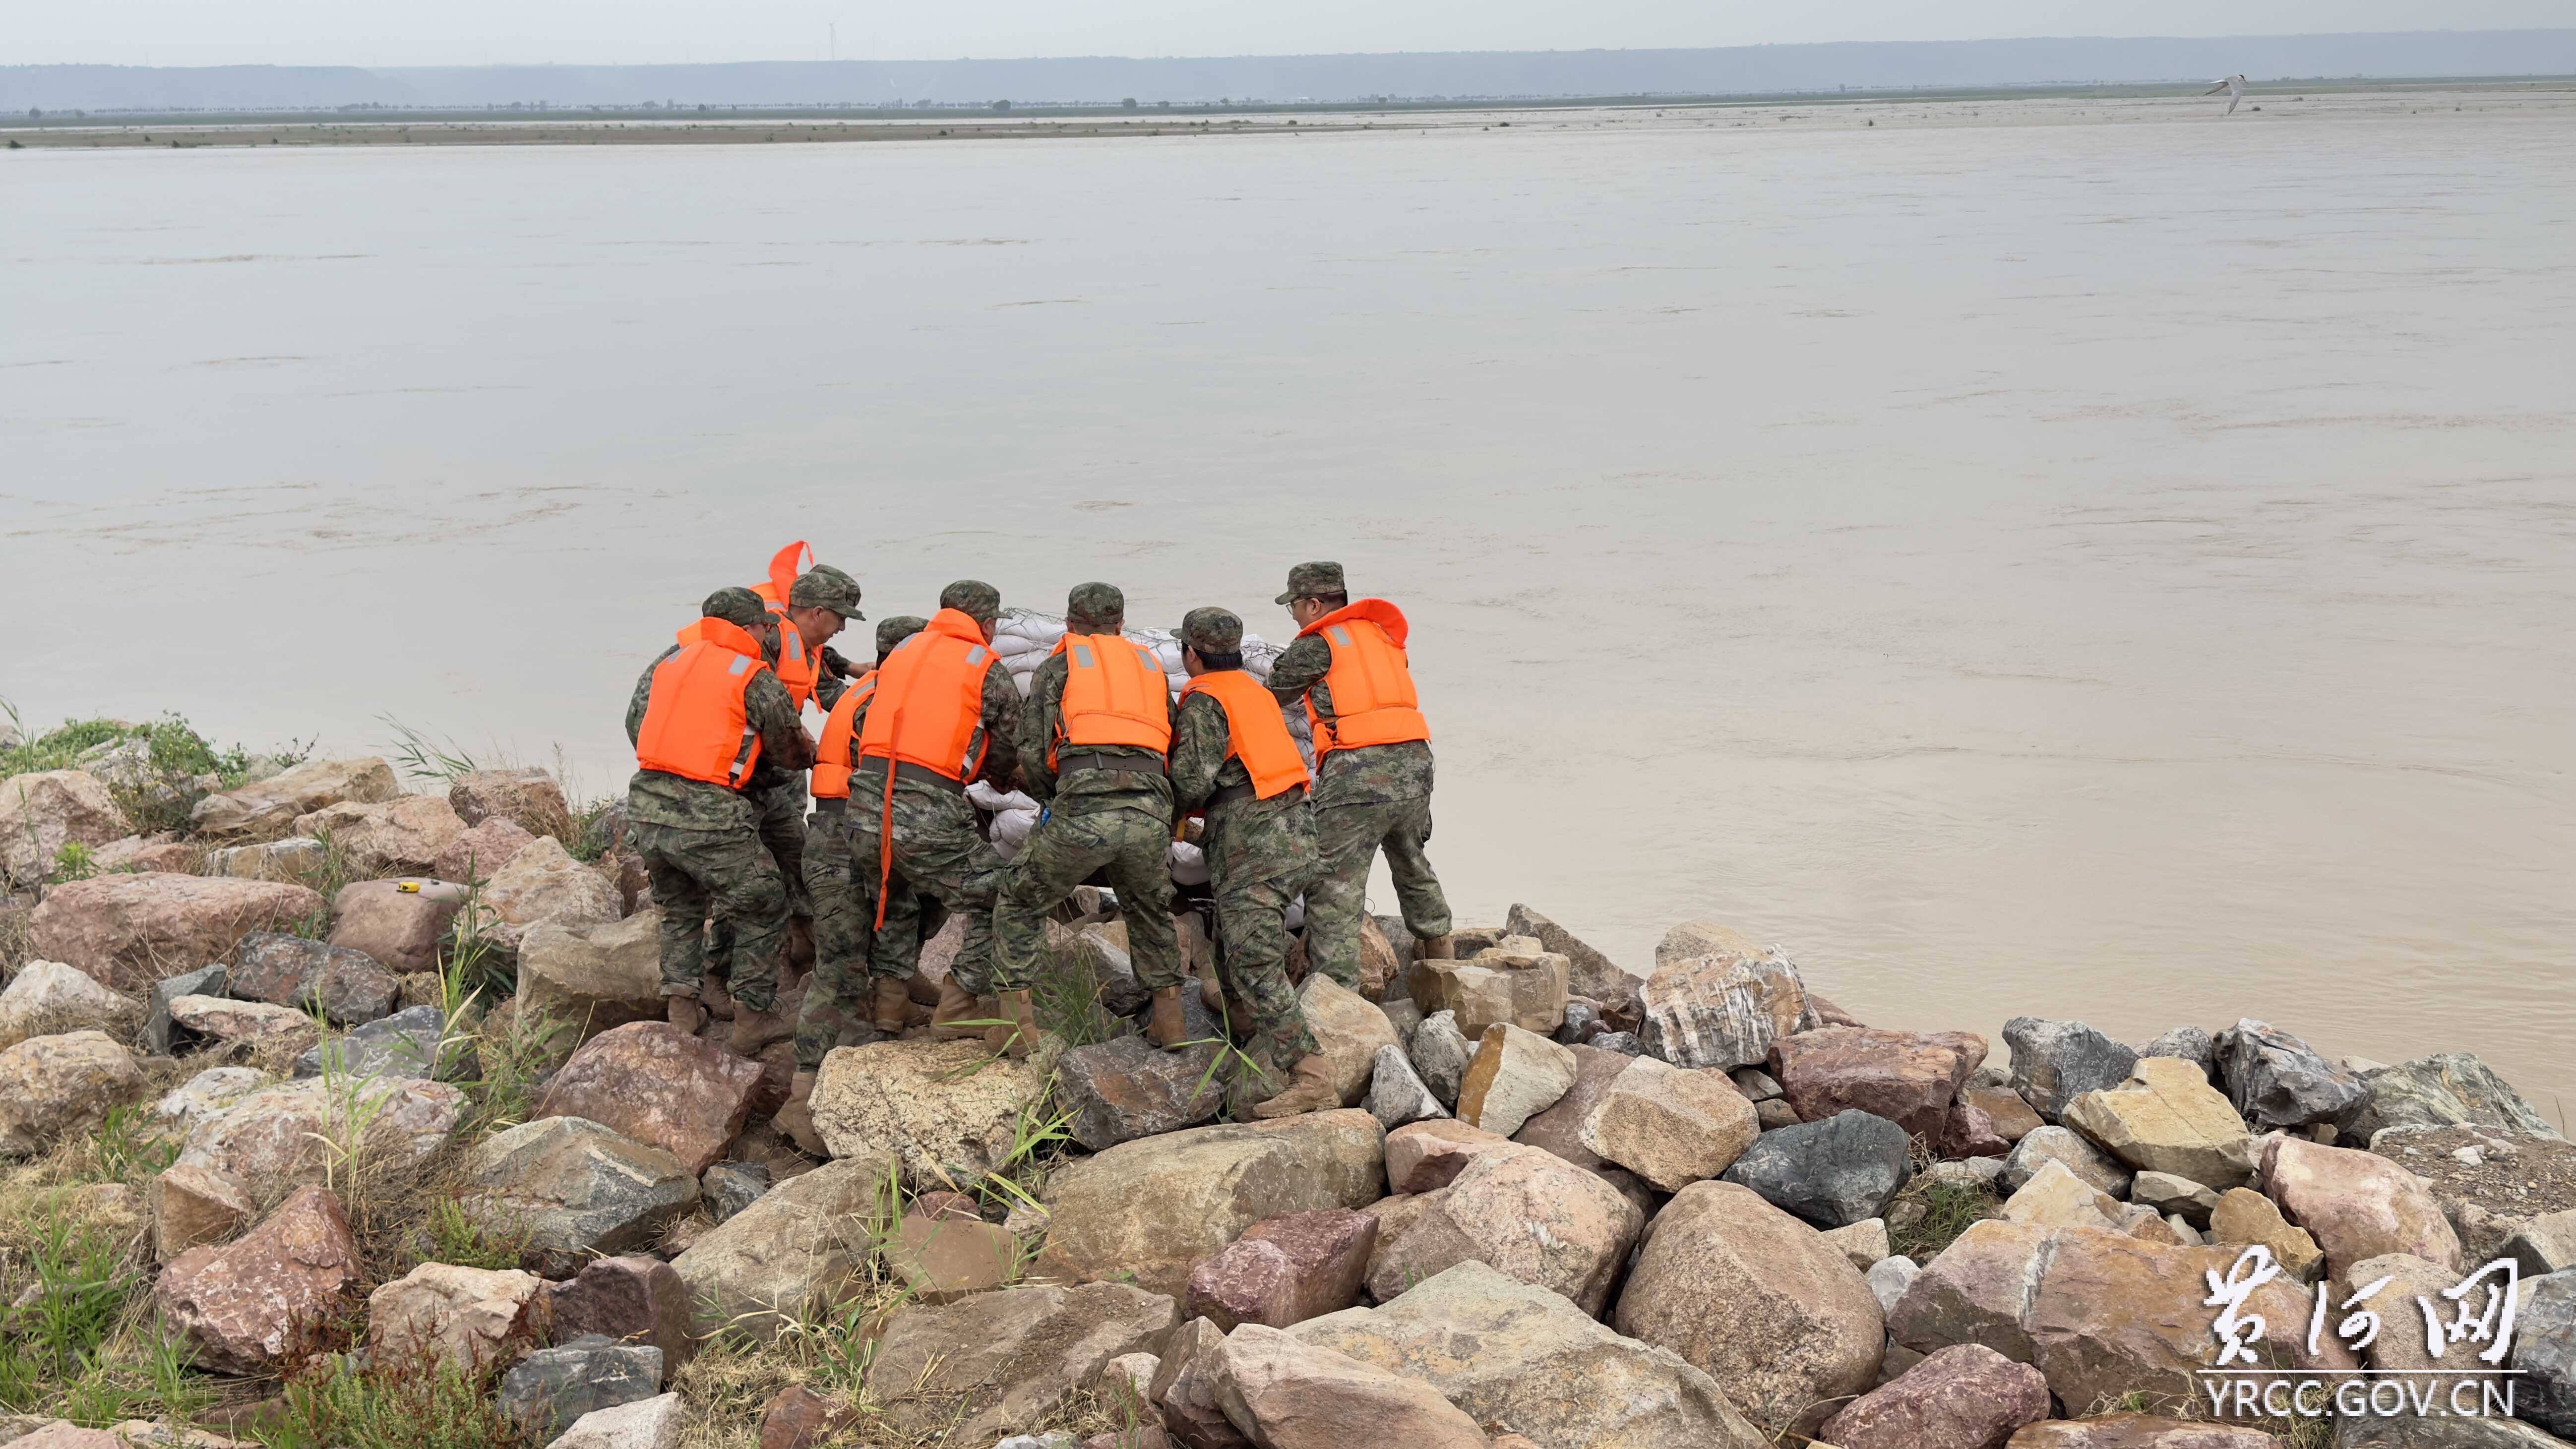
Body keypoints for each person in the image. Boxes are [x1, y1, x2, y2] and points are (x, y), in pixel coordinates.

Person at [994, 583, 1184, 1057]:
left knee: (1019, 899)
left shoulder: (1060, 665)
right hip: (1148, 813)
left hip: (1083, 809)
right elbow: (1173, 738)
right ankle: (1171, 1021)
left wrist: (1053, 799)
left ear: (1069, 623)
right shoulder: (1150, 667)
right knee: (1148, 909)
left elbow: (1032, 749)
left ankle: (1015, 1029)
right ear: (1121, 624)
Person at [623, 587, 813, 1057]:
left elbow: (635, 721)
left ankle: (683, 1011)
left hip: (646, 804)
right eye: (765, 627)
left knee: (681, 907)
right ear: (751, 628)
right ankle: (752, 1017)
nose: (768, 635)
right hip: (708, 812)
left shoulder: (668, 663)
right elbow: (789, 750)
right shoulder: (752, 674)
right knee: (764, 902)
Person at [1169, 606, 1335, 1117]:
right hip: (1295, 830)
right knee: (1233, 936)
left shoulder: (1205, 700)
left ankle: (1310, 1074)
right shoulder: (1255, 692)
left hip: (1254, 842)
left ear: (1191, 654)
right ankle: (1242, 1022)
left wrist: (1159, 806)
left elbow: (1192, 782)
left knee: (1254, 959)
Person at [846, 581, 1022, 1048]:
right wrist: (1002, 777)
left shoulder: (902, 654)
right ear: (988, 624)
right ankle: (959, 1004)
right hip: (925, 811)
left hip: (863, 807)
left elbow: (869, 721)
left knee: (893, 890)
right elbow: (1009, 745)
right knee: (1006, 894)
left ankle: (890, 1006)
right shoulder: (985, 665)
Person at [1265, 561, 1453, 986]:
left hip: (1358, 773)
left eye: (1295, 606)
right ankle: (1446, 965)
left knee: (1334, 884)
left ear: (1315, 604)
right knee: (1411, 861)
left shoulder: (1317, 645)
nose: (1294, 616)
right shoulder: (1382, 636)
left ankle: (1340, 998)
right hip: (1416, 765)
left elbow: (1273, 692)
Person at [797, 613, 938, 1070]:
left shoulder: (862, 691)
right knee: (842, 961)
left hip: (835, 830)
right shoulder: (892, 702)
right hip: (856, 832)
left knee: (903, 905)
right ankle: (806, 1081)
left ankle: (892, 1006)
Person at [726, 552, 866, 991]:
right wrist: (805, 745)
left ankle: (804, 938)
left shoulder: (803, 642)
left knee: (795, 849)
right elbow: (763, 704)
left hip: (775, 767)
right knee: (749, 875)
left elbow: (829, 687)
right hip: (739, 774)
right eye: (840, 618)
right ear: (818, 612)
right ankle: (728, 971)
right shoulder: (767, 639)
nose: (842, 628)